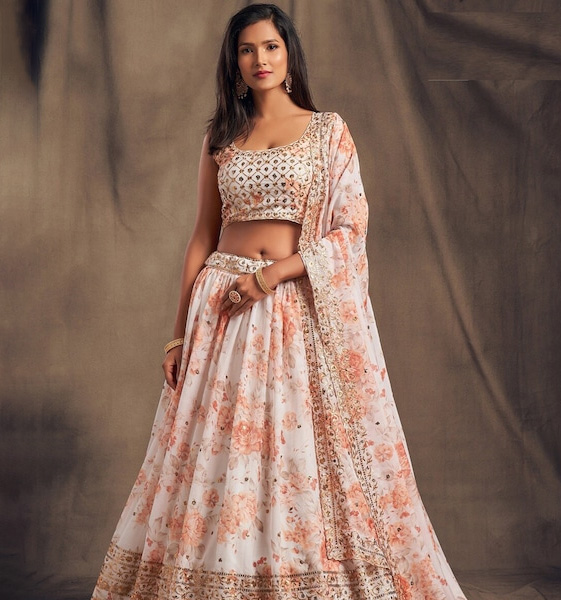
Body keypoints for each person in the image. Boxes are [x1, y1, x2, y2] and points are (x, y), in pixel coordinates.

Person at [90, 4, 468, 600]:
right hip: (222, 308)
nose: (259, 59)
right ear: (234, 62)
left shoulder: (327, 131)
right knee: (220, 459)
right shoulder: (221, 136)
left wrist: (272, 277)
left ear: (289, 54)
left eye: (270, 46)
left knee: (292, 456)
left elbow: (350, 230)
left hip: (290, 306)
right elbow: (202, 237)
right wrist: (178, 333)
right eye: (246, 49)